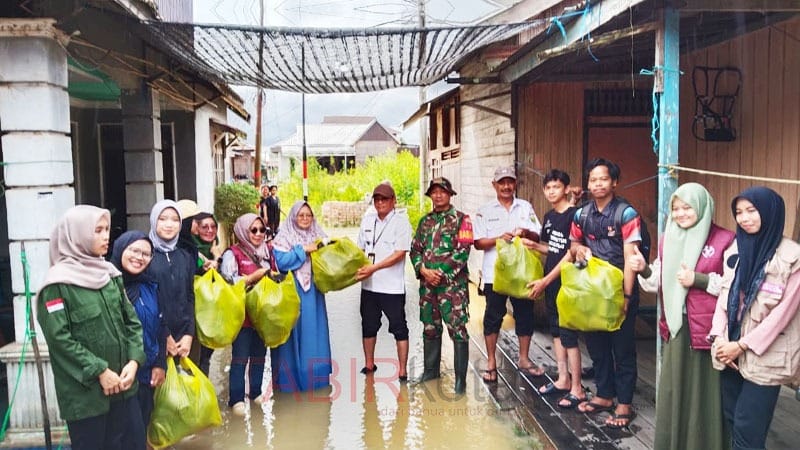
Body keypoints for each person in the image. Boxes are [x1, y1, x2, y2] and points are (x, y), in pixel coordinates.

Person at [627, 182, 734, 449]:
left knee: (706, 395)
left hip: (710, 331)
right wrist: (644, 270)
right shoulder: (669, 238)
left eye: (688, 207)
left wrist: (697, 279)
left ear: (703, 207)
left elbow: (733, 286)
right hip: (677, 327)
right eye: (676, 209)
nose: (681, 214)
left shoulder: (725, 240)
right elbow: (660, 280)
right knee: (676, 391)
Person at [37, 205, 146, 450]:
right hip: (87, 398)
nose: (106, 236)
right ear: (76, 235)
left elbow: (132, 323)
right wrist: (100, 371)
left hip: (124, 389)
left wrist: (134, 361)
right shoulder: (57, 284)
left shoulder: (110, 275)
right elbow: (59, 340)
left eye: (107, 229)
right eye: (97, 230)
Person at [707, 186, 800, 450]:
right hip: (729, 352)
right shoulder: (736, 249)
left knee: (749, 430)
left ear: (770, 212)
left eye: (752, 210)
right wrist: (719, 338)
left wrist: (742, 345)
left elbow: (782, 315)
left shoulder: (792, 257)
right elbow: (724, 299)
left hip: (764, 355)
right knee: (732, 420)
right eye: (739, 212)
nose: (744, 218)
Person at [569, 158, 642, 428]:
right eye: (592, 179)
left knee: (622, 348)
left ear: (614, 182)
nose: (597, 183)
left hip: (618, 291)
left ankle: (624, 403)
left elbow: (630, 254)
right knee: (597, 345)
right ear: (588, 184)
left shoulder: (626, 213)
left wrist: (626, 296)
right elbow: (574, 242)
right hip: (591, 292)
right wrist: (580, 250)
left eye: (603, 179)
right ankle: (604, 395)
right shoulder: (581, 214)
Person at [473, 166, 543, 383]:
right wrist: (498, 238)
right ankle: (491, 361)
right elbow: (478, 243)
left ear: (515, 184)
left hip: (522, 275)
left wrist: (525, 231)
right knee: (493, 316)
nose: (506, 186)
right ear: (494, 185)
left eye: (510, 182)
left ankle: (523, 358)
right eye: (501, 182)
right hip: (495, 274)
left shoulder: (525, 207)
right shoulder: (485, 210)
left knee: (525, 314)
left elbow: (537, 235)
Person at [526, 169, 586, 408]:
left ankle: (577, 388)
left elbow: (570, 255)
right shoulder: (549, 216)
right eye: (548, 187)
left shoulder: (576, 215)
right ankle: (563, 379)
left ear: (566, 189)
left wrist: (545, 281)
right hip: (551, 282)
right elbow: (553, 249)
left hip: (568, 282)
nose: (552, 191)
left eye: (557, 187)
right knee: (557, 333)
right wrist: (534, 245)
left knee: (569, 335)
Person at [409, 177, 473, 394]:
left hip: (452, 288)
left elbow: (463, 252)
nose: (438, 195)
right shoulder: (424, 222)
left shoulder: (462, 220)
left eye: (442, 192)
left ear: (450, 194)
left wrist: (440, 273)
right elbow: (415, 250)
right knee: (430, 327)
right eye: (434, 192)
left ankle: (460, 381)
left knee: (457, 330)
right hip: (428, 287)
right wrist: (424, 271)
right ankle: (430, 373)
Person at [271, 201, 332, 392]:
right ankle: (291, 382)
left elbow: (329, 260)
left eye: (308, 215)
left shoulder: (318, 234)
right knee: (292, 334)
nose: (305, 219)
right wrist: (303, 250)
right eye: (301, 215)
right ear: (293, 217)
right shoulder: (284, 236)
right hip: (292, 290)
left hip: (314, 293)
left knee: (314, 333)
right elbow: (280, 262)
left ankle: (315, 380)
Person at [355, 182, 413, 381]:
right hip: (369, 286)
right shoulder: (367, 220)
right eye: (377, 199)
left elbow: (399, 253)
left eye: (385, 199)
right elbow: (359, 250)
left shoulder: (401, 222)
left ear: (393, 201)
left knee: (399, 327)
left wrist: (374, 267)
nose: (380, 202)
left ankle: (402, 370)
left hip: (392, 288)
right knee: (368, 326)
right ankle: (369, 364)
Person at [110, 231, 167, 431]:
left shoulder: (150, 285)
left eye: (145, 253)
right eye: (134, 250)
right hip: (118, 378)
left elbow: (161, 326)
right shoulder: (107, 286)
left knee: (142, 429)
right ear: (119, 249)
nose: (139, 257)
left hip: (146, 375)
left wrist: (160, 364)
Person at [219, 213, 276, 415]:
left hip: (262, 317)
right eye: (254, 230)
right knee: (240, 357)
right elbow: (227, 283)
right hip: (241, 316)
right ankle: (236, 399)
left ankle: (255, 393)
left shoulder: (268, 252)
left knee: (259, 356)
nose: (259, 234)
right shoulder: (232, 254)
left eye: (262, 230)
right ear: (243, 231)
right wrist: (252, 277)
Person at [146, 200, 196, 359]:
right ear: (154, 221)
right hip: (154, 339)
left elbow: (189, 297)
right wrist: (164, 335)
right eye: (163, 219)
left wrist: (189, 334)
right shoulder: (144, 255)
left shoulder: (184, 256)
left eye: (175, 220)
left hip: (182, 340)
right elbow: (146, 302)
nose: (169, 224)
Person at [193, 211, 221, 374]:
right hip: (194, 312)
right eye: (205, 227)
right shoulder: (191, 250)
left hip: (210, 313)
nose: (210, 230)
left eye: (213, 226)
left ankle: (204, 393)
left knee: (206, 357)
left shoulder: (215, 248)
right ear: (195, 228)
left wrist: (217, 257)